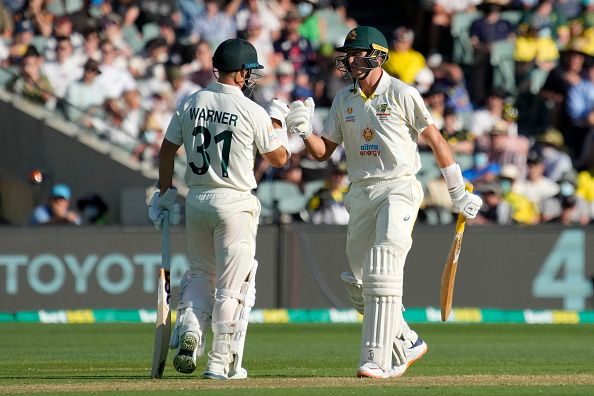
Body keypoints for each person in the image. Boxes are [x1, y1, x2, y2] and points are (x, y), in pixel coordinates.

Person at [284, 26, 482, 379]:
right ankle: (407, 340)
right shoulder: (344, 100)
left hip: (399, 187)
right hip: (360, 192)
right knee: (359, 284)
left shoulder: (403, 93)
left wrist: (457, 192)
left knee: (383, 261)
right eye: (347, 55)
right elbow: (323, 152)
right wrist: (303, 131)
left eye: (357, 54)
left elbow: (435, 140)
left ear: (377, 56)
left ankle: (376, 358)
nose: (349, 60)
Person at [148, 38, 290, 380]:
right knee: (232, 286)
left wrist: (165, 193)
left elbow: (166, 151)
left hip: (197, 200)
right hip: (235, 203)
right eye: (250, 72)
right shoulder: (252, 111)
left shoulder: (191, 100)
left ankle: (191, 330)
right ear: (241, 72)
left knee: (199, 274)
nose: (252, 78)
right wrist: (279, 121)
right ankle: (219, 362)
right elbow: (280, 158)